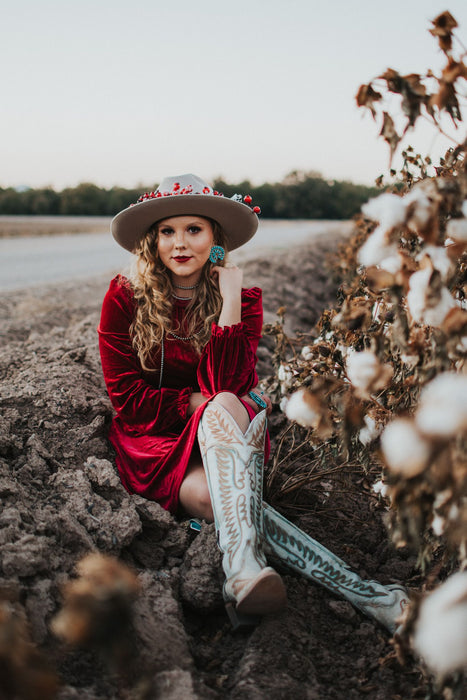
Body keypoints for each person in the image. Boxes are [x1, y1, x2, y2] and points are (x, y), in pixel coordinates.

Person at [98, 174, 408, 631]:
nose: (180, 243)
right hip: (154, 444)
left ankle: (242, 572)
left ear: (216, 240)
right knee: (211, 497)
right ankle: (366, 594)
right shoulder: (124, 298)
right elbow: (128, 401)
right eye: (167, 231)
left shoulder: (242, 300)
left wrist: (227, 302)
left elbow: (230, 386)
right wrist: (198, 403)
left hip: (223, 433)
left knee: (224, 415)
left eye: (194, 230)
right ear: (152, 241)